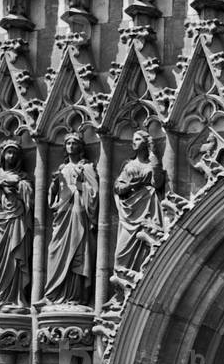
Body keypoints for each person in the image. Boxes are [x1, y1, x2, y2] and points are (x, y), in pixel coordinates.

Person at [43, 133, 99, 307]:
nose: (71, 146)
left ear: (80, 147)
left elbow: (94, 193)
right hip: (62, 214)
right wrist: (54, 185)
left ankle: (75, 295)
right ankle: (55, 293)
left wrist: (80, 186)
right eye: (68, 143)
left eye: (75, 143)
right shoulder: (62, 169)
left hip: (77, 214)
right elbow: (52, 197)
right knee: (56, 250)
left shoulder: (86, 167)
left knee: (76, 251)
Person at [0, 138, 34, 311]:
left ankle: (14, 298)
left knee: (15, 258)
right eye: (8, 152)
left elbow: (30, 197)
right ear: (2, 155)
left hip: (16, 220)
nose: (11, 156)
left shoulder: (23, 177)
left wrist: (20, 187)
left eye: (14, 153)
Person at [112, 128, 165, 285]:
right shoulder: (129, 166)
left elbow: (158, 182)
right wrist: (129, 186)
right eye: (133, 140)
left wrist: (154, 156)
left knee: (148, 246)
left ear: (146, 142)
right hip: (130, 210)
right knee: (120, 255)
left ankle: (147, 282)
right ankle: (121, 290)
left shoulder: (151, 163)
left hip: (149, 207)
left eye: (137, 139)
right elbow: (118, 187)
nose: (133, 142)